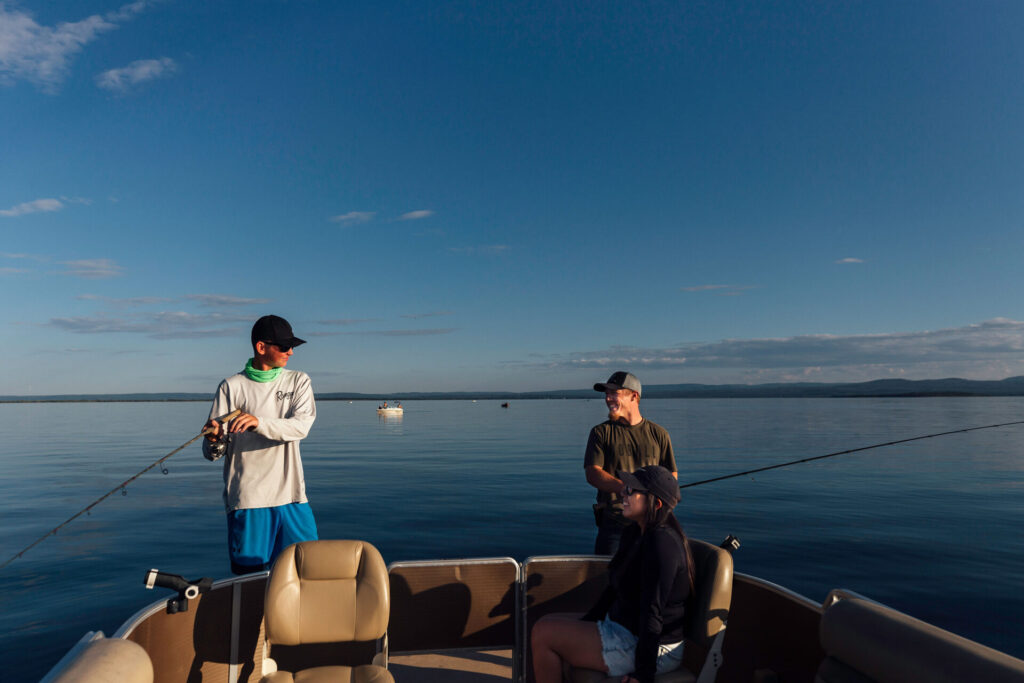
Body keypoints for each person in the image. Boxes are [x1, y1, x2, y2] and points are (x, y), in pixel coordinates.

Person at [532, 465, 695, 683]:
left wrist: (643, 674)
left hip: (653, 649)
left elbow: (652, 611)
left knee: (544, 634)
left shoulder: (661, 543)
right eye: (625, 488)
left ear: (655, 504)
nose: (623, 493)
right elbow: (613, 590)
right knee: (546, 621)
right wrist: (587, 623)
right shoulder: (634, 532)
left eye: (631, 491)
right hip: (622, 627)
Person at [202, 314, 318, 574]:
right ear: (261, 347)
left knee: (307, 574)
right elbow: (212, 454)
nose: (290, 352)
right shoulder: (231, 387)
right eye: (284, 346)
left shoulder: (298, 381)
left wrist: (258, 422)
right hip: (248, 502)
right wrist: (213, 440)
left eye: (292, 346)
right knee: (251, 584)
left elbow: (301, 426)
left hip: (293, 499)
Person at [585, 371, 677, 554]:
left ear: (634, 396)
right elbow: (593, 473)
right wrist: (625, 489)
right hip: (614, 524)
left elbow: (671, 477)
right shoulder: (600, 433)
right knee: (609, 579)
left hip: (652, 525)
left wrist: (656, 500)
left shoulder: (659, 434)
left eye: (614, 393)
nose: (608, 399)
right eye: (606, 394)